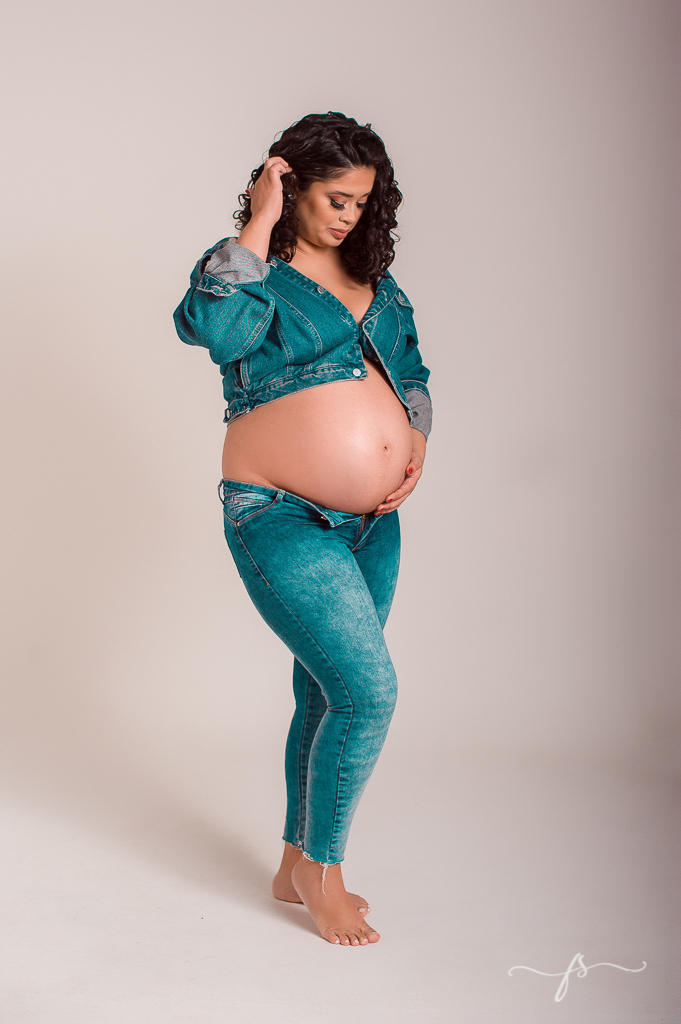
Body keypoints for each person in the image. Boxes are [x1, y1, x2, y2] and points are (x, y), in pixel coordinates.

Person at [173, 111, 432, 946]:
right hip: (279, 514)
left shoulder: (377, 283)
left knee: (325, 692)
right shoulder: (251, 275)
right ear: (289, 187)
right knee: (368, 693)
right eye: (332, 198)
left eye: (361, 201)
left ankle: (293, 863)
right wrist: (257, 221)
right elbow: (209, 329)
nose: (348, 216)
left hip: (372, 524)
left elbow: (412, 372)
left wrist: (414, 438)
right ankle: (326, 872)